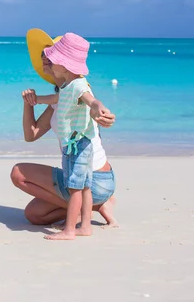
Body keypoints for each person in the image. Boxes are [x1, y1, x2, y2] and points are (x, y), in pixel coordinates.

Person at [10, 30, 118, 236]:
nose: (45, 58)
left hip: (96, 179)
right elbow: (31, 135)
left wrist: (101, 111)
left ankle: (90, 208)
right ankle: (92, 207)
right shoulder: (62, 96)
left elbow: (92, 102)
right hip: (92, 181)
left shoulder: (78, 88)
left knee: (18, 172)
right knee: (34, 215)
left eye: (49, 55)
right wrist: (29, 103)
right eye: (45, 55)